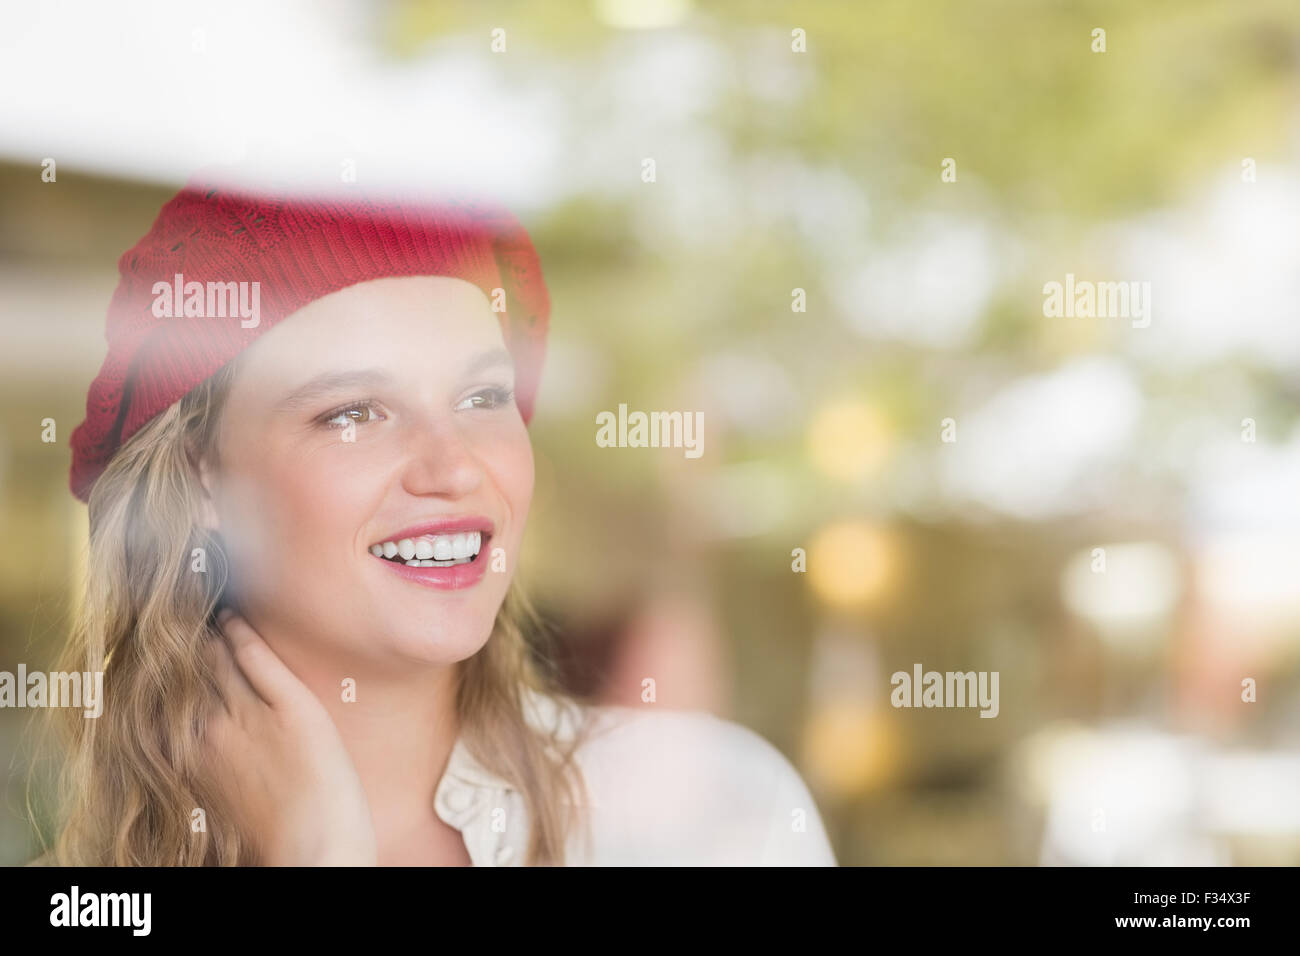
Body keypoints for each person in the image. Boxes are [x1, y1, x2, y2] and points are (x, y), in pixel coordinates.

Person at [35, 173, 836, 866]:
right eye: (354, 412)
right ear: (201, 478)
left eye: (483, 398)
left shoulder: (724, 817)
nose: (454, 469)